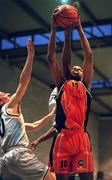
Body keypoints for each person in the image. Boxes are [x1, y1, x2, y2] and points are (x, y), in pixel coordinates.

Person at [46, 8, 94, 180]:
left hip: (81, 137)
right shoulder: (62, 84)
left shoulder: (86, 85)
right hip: (63, 138)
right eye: (73, 68)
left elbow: (88, 56)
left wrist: (79, 29)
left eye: (79, 69)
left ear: (83, 75)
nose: (76, 68)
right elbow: (52, 58)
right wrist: (54, 30)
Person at [0, 39, 55, 180]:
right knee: (51, 178)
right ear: (1, 102)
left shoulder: (6, 119)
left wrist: (51, 115)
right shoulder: (9, 106)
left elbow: (33, 125)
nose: (7, 93)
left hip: (7, 160)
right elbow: (23, 84)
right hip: (19, 154)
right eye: (4, 94)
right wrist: (30, 56)